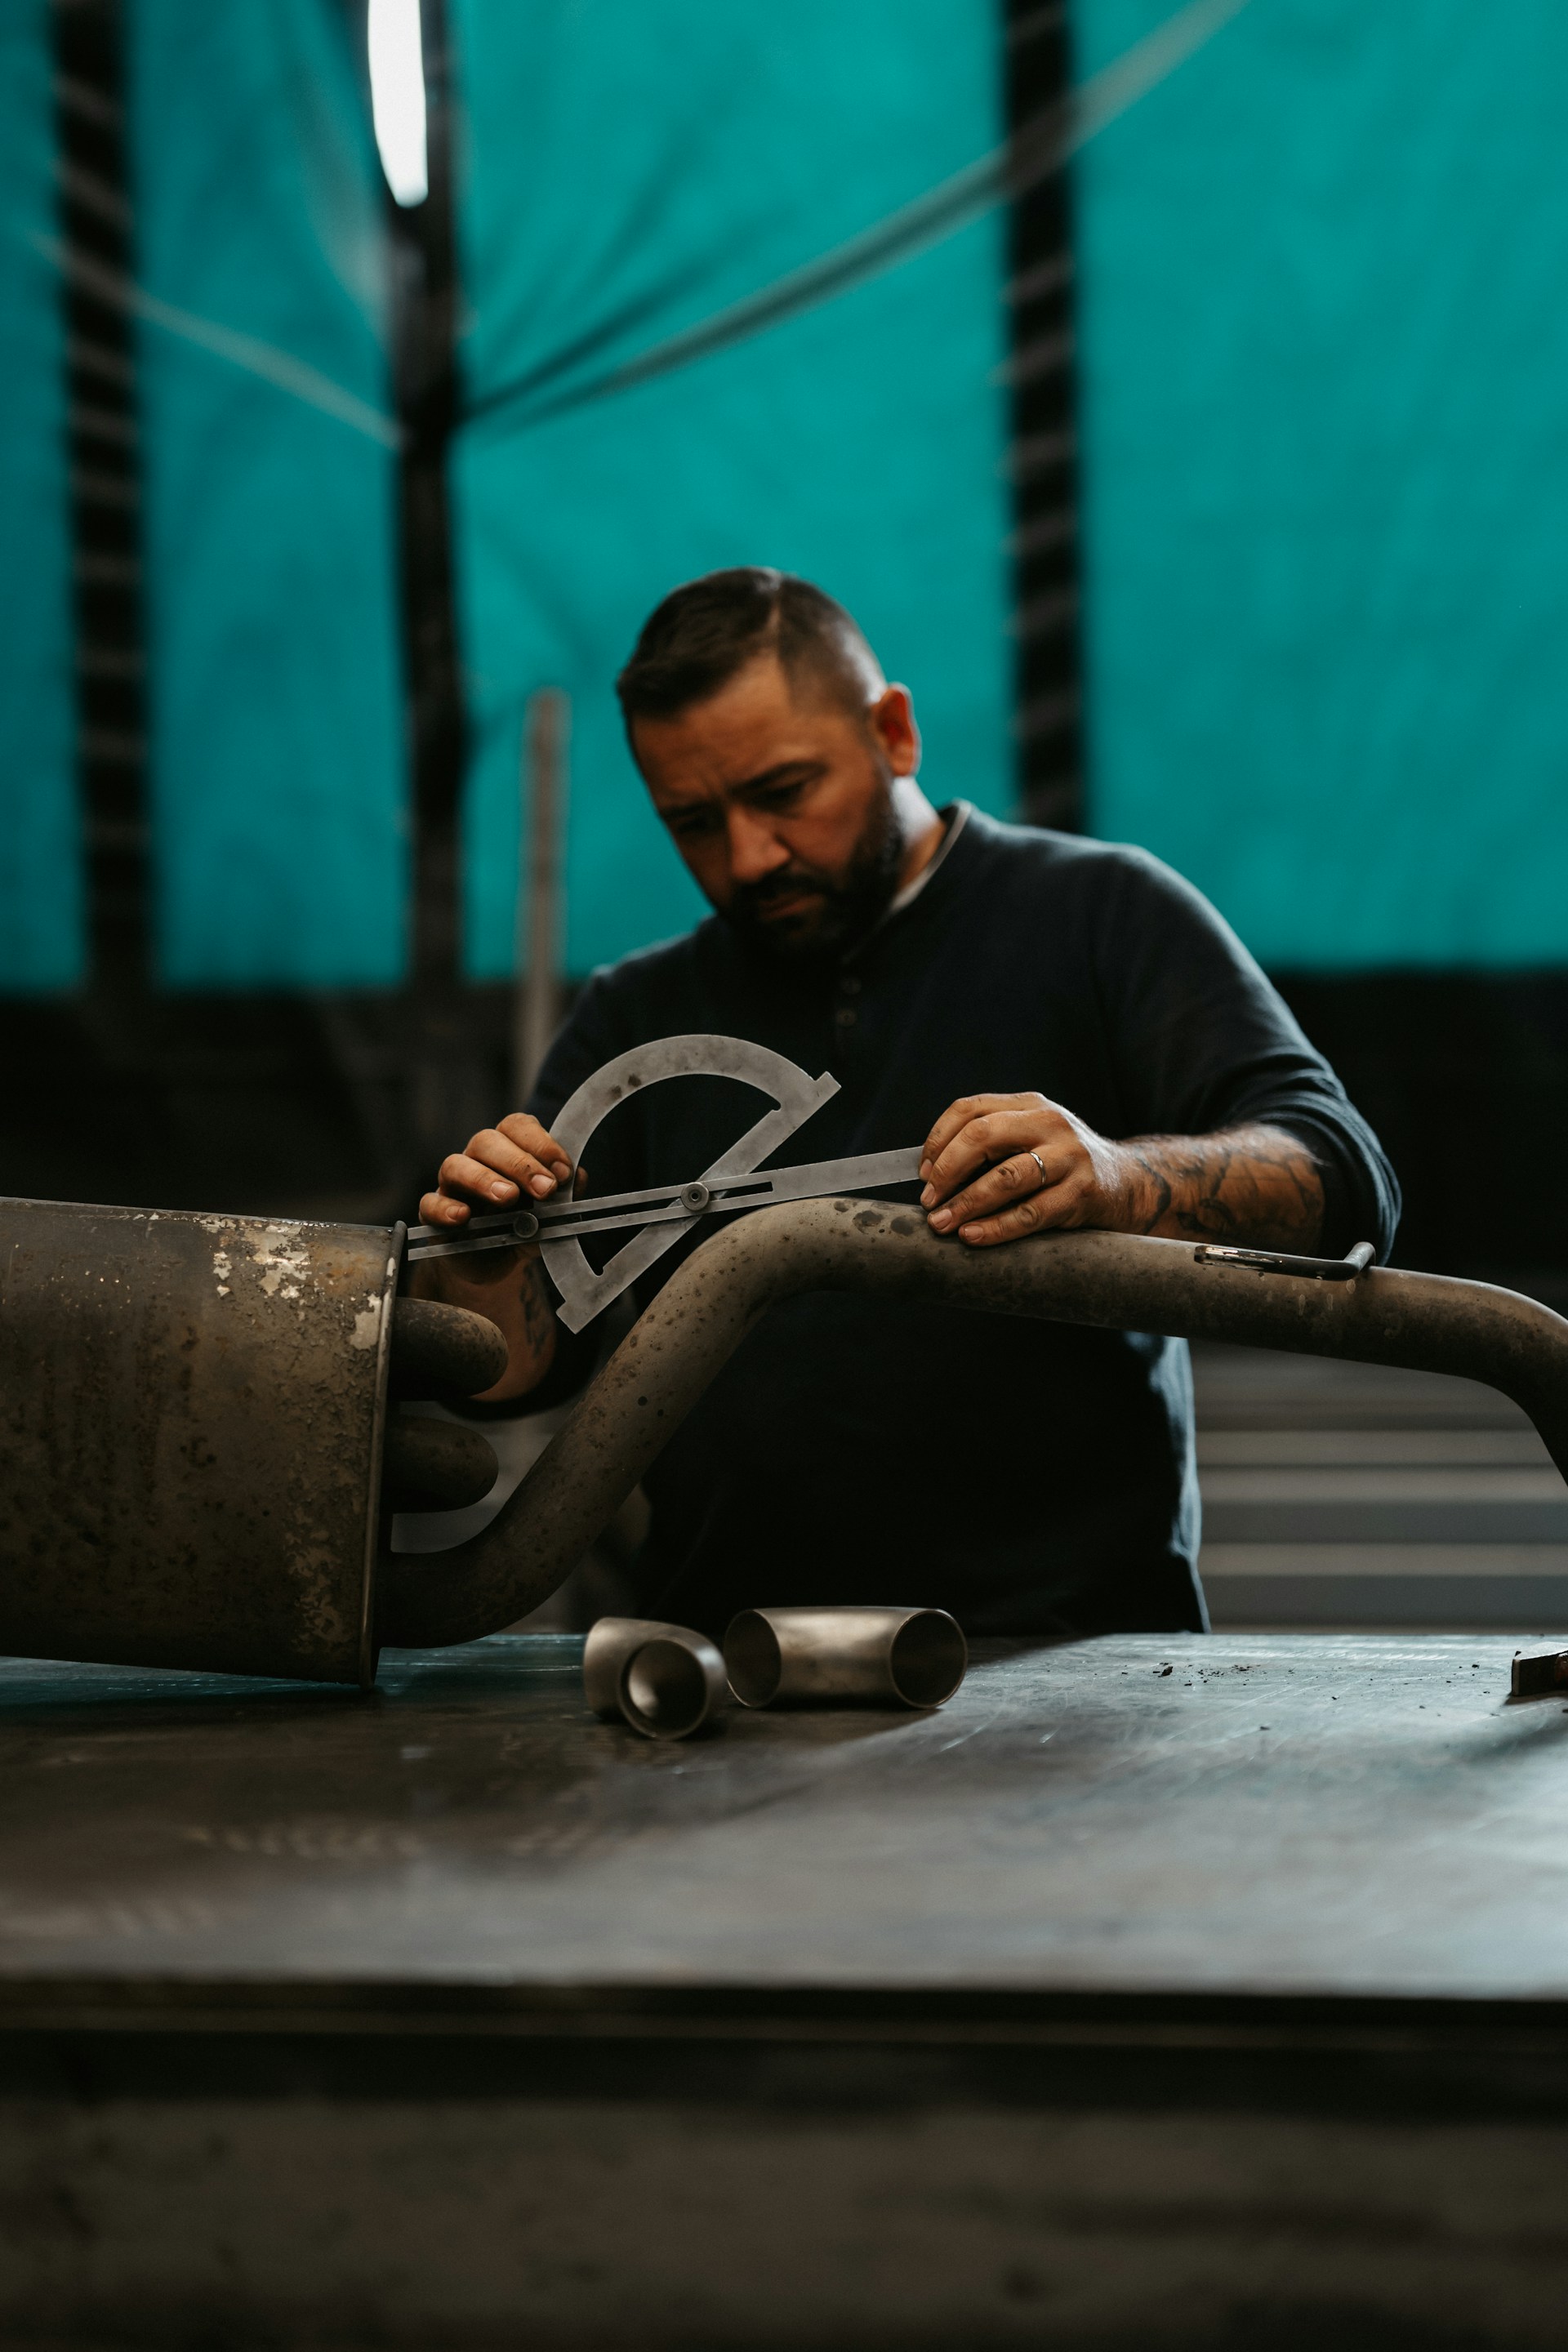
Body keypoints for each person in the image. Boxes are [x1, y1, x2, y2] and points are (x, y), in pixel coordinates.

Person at [416, 568, 1398, 1636]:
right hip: (720, 1680)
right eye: (693, 823)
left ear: (893, 732)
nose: (750, 857)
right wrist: (486, 1274)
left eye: (785, 792)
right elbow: (519, 1375)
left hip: (1081, 1670)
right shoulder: (633, 1015)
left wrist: (1120, 1178)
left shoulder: (1104, 915)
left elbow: (1340, 1181)